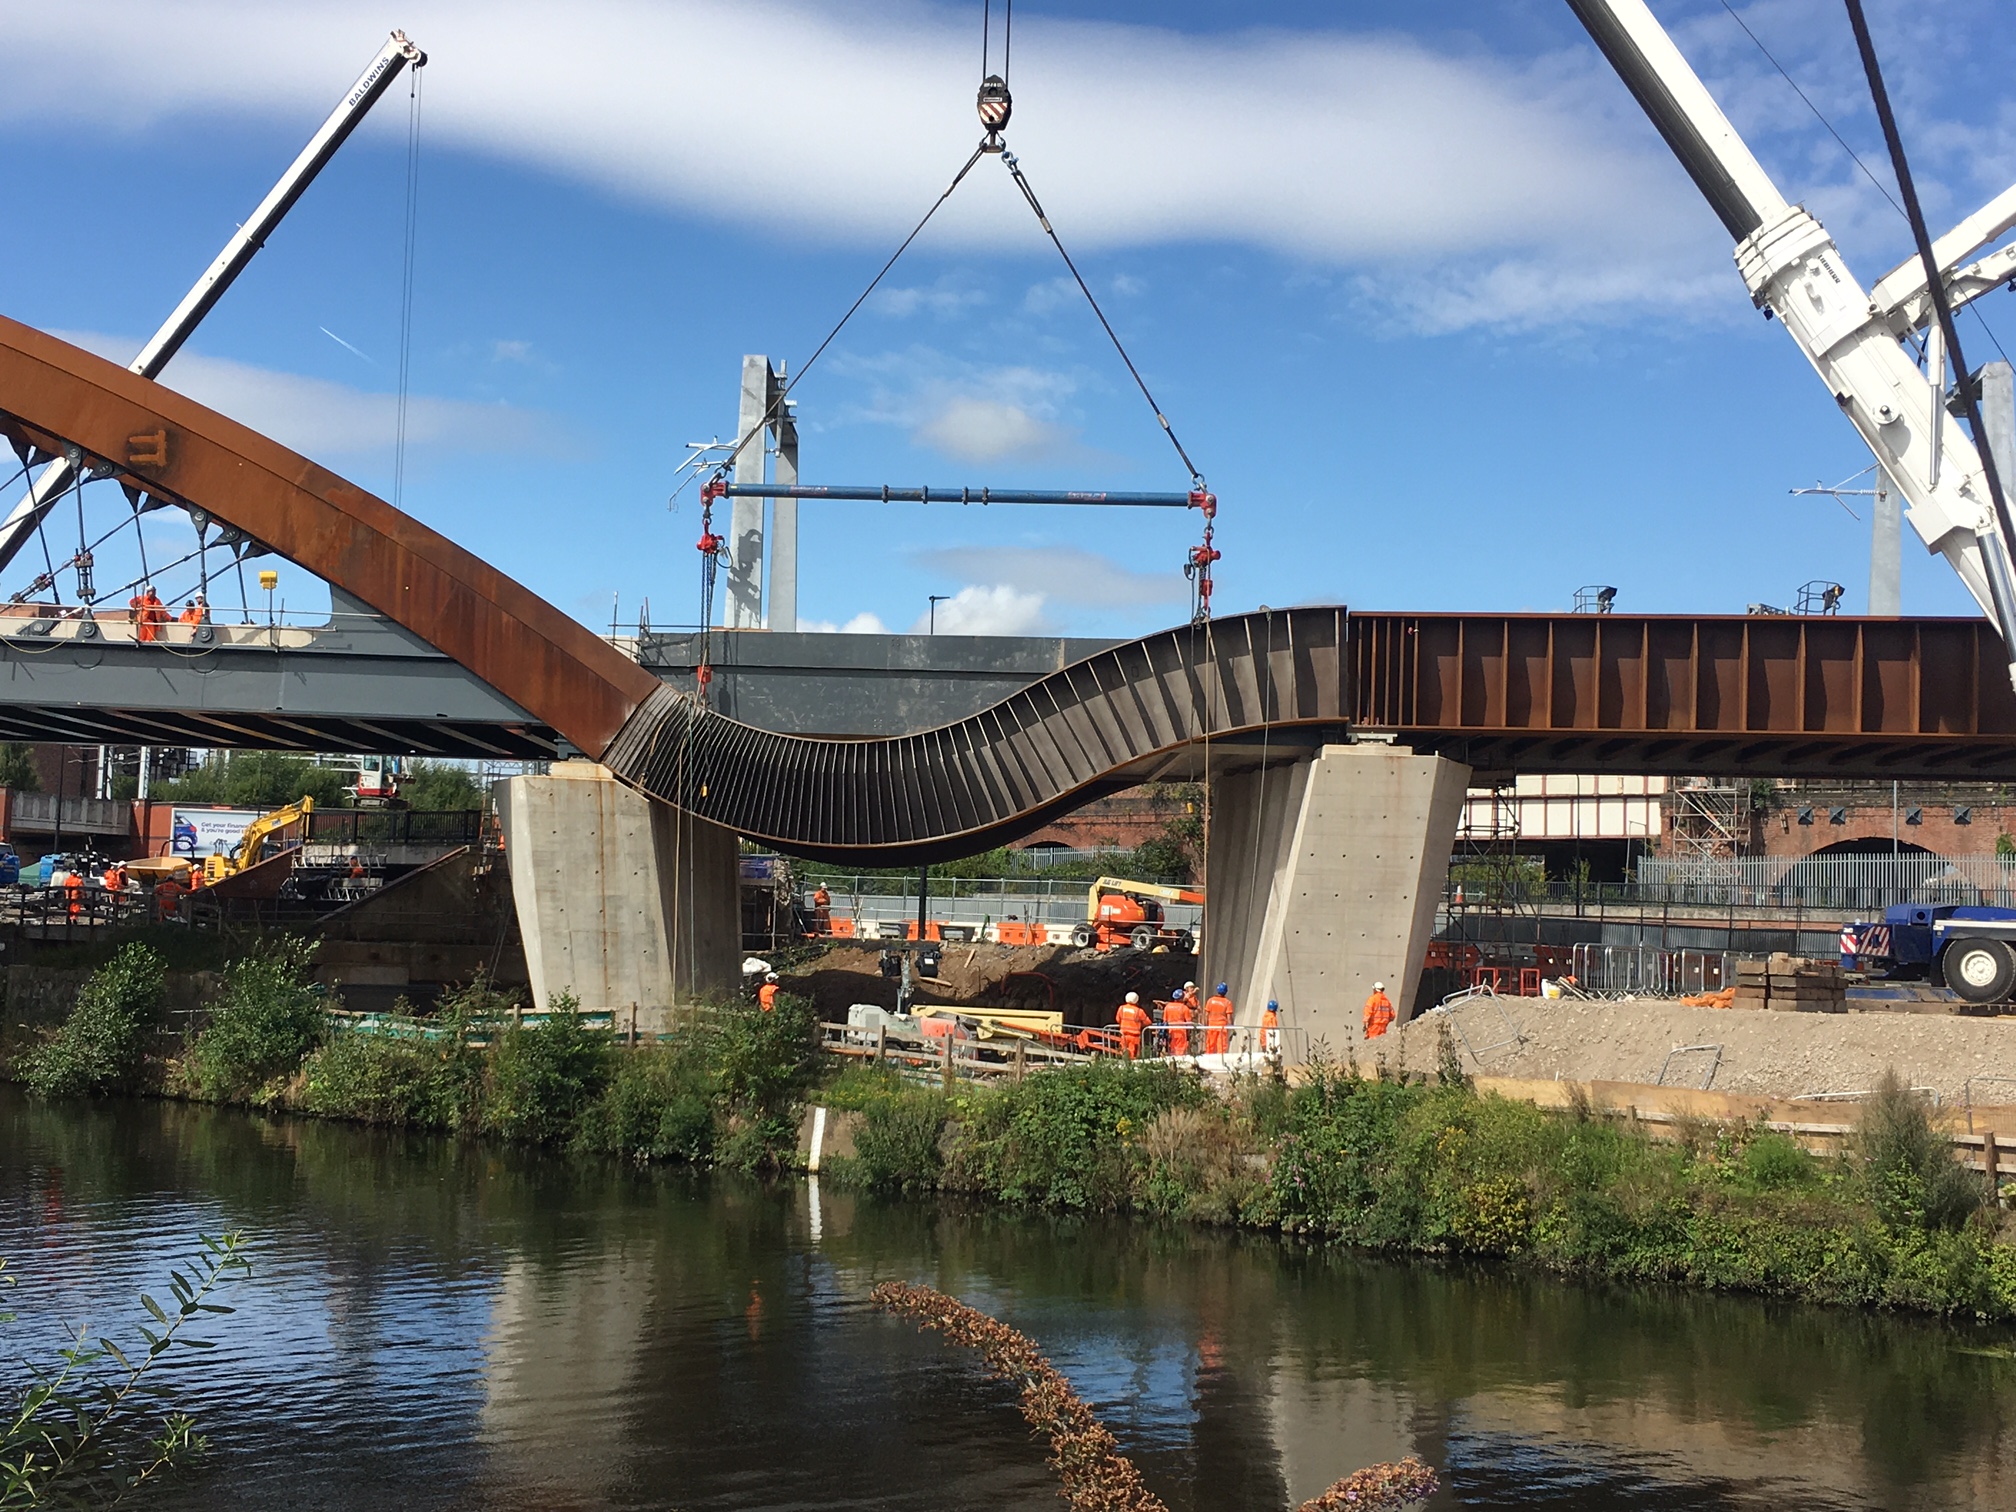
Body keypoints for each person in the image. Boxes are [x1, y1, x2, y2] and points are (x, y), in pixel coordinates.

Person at [1203, 982, 1234, 1056]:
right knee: (1221, 1047)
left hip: (1211, 1026)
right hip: (1222, 1027)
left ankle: (1208, 1059)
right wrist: (1232, 1028)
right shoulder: (1227, 1002)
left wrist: (1205, 1026)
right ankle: (1221, 1061)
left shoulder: (1210, 1000)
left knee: (1210, 1045)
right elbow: (1229, 1017)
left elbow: (1206, 1015)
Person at [1116, 991, 1149, 1060]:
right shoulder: (1139, 1011)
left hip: (1123, 1035)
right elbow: (1148, 1022)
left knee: (1123, 1053)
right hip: (1134, 1037)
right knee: (1133, 1055)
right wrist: (1140, 1024)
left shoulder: (1121, 1008)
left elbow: (1118, 1019)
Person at [1163, 992, 1194, 1057]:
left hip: (1171, 1031)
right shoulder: (1184, 1008)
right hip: (1181, 1032)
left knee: (1172, 1048)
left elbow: (1165, 1021)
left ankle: (1172, 1061)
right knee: (1180, 1050)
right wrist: (1189, 1034)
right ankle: (1179, 1062)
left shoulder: (1167, 1007)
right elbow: (1189, 1023)